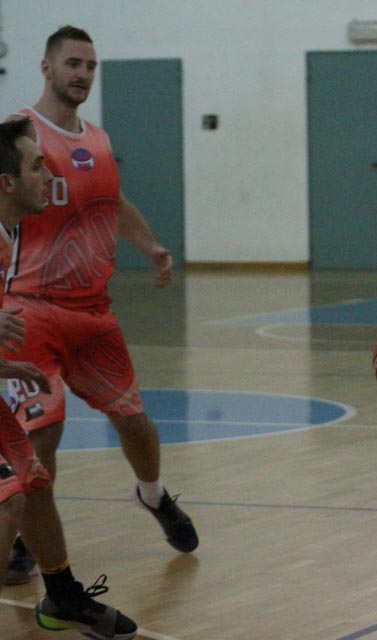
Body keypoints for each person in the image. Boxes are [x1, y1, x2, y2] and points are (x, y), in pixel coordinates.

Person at [3, 25, 198, 586]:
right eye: (72, 63)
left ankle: (153, 495)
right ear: (46, 68)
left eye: (90, 65)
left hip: (92, 313)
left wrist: (150, 245)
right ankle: (27, 543)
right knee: (42, 436)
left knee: (135, 422)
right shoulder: (19, 134)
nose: (83, 74)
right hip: (29, 308)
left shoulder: (98, 138)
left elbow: (112, 202)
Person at [0, 116, 138, 639]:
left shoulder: (9, 239)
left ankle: (61, 595)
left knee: (30, 478)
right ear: (7, 182)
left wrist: (6, 365)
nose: (50, 176)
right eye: (38, 166)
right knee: (9, 499)